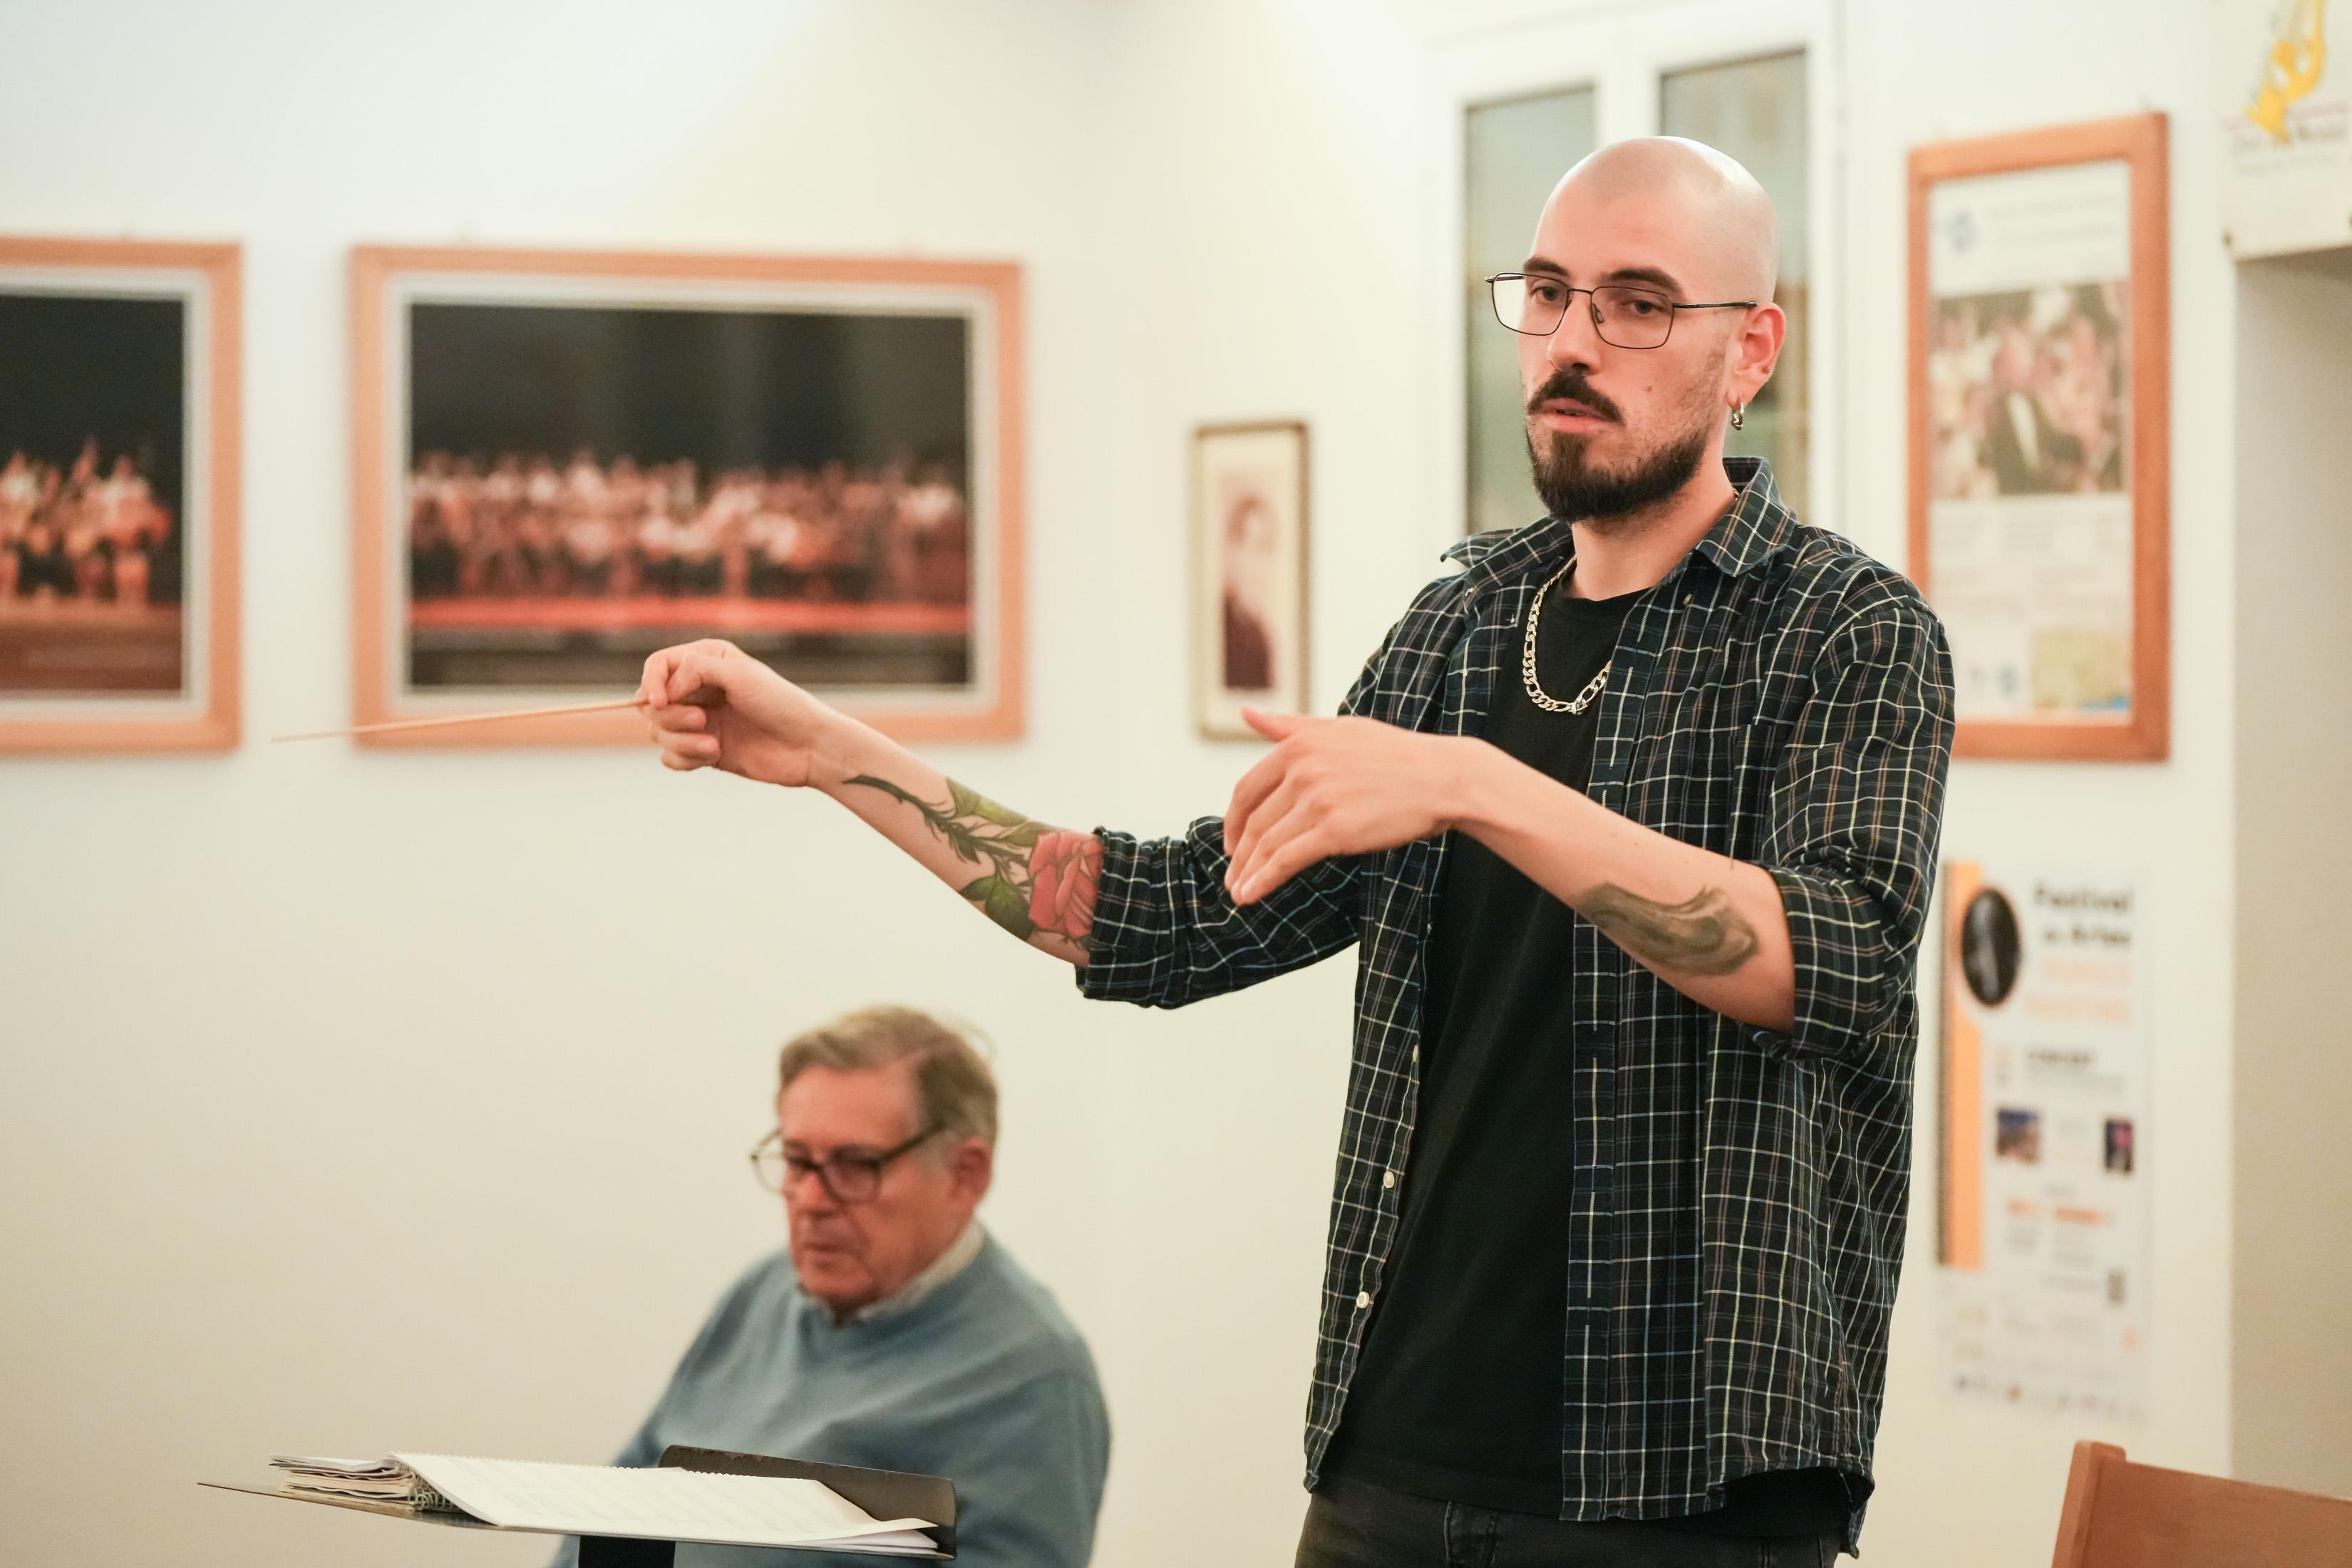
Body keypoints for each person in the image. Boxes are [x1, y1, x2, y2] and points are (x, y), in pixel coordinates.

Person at [636, 136, 1954, 1565]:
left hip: (1684, 1485)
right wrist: (827, 750)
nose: (1574, 342)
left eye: (1638, 303)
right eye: (1550, 294)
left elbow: (1832, 957)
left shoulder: (1848, 633)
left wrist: (1472, 783)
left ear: (1751, 347)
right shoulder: (1461, 626)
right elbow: (1173, 915)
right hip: (1391, 1458)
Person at [552, 1007, 1108, 1568]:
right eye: (797, 1162)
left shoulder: (1031, 1379)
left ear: (965, 1175)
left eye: (855, 1166)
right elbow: (619, 1502)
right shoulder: (762, 1293)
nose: (812, 1202)